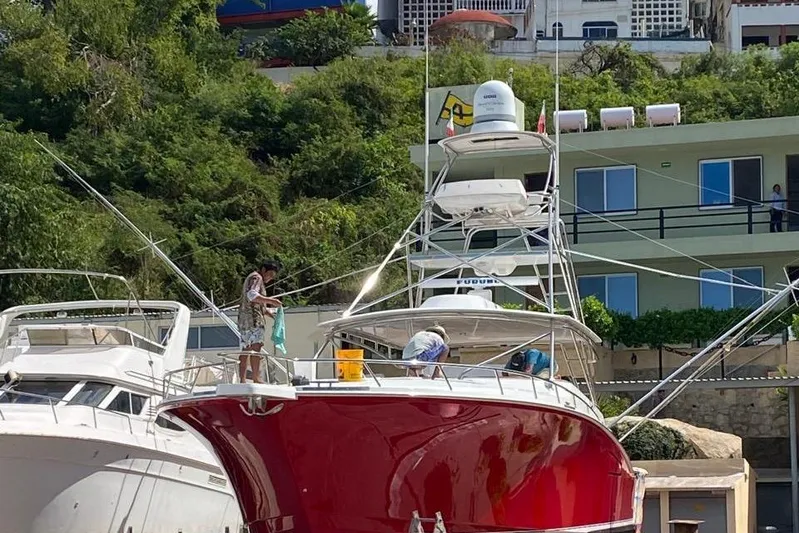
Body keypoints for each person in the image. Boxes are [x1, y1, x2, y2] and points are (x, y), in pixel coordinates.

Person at [237, 260, 282, 383]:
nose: (270, 278)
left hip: (244, 321)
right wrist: (271, 301)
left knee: (245, 349)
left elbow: (258, 305)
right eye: (270, 274)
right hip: (254, 320)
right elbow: (252, 295)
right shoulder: (257, 278)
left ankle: (242, 379)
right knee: (256, 347)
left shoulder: (250, 278)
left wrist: (272, 315)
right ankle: (256, 378)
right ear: (263, 270)